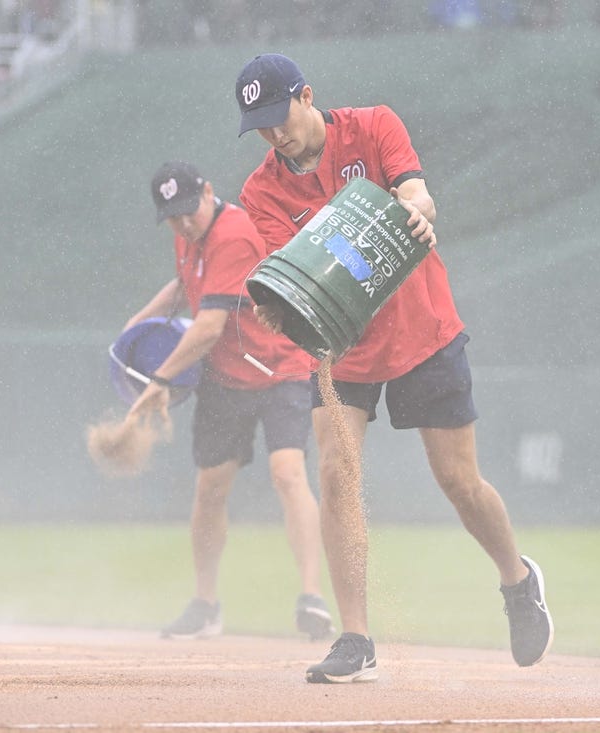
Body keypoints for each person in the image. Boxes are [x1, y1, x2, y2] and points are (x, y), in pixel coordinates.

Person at [234, 53, 553, 683]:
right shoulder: (260, 191)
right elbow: (284, 280)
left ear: (307, 96)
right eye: (259, 125)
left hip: (422, 329)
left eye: (279, 117)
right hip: (342, 346)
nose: (274, 134)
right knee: (336, 470)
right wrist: (272, 309)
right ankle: (355, 639)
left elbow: (415, 191)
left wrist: (417, 207)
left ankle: (517, 579)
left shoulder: (373, 125)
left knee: (459, 482)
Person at [126, 161, 334, 641]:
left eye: (188, 211)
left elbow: (208, 327)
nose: (182, 223)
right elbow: (184, 285)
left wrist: (160, 378)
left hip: (278, 367)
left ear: (209, 193)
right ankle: (205, 606)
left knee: (287, 473)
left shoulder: (234, 234)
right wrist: (139, 321)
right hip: (225, 377)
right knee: (210, 491)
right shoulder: (187, 233)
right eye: (172, 216)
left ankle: (312, 598)